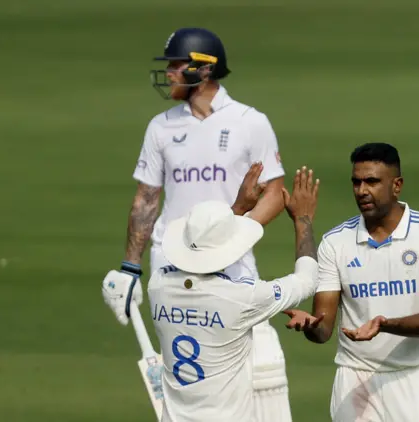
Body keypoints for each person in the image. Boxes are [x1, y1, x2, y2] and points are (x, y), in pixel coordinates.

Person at [102, 27, 293, 420]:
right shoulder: (161, 127)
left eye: (176, 64)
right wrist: (129, 268)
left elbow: (276, 193)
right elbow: (146, 200)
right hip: (171, 269)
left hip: (232, 266)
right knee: (193, 381)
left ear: (204, 71)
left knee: (260, 366)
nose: (169, 72)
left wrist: (235, 232)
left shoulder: (249, 122)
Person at [104, 165, 321, 422]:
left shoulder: (159, 286)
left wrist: (235, 212)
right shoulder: (242, 297)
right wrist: (303, 219)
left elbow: (199, 253)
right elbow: (307, 281)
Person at [284, 143, 419, 422]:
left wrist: (384, 324)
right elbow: (324, 329)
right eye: (356, 182)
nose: (362, 191)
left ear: (397, 185)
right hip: (355, 378)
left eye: (372, 181)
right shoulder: (335, 242)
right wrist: (310, 326)